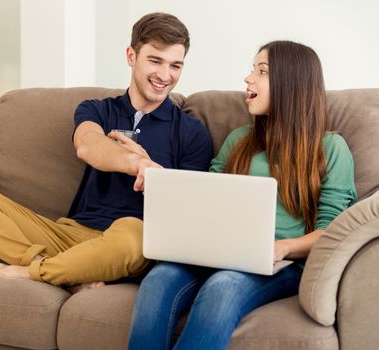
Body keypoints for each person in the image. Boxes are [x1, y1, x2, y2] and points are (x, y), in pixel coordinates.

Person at [0, 12, 213, 291]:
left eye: (175, 65)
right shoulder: (97, 109)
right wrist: (136, 162)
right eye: (155, 60)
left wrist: (156, 174)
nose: (165, 75)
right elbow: (87, 144)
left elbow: (183, 218)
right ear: (131, 56)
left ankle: (16, 273)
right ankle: (61, 270)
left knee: (134, 235)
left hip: (127, 241)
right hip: (68, 233)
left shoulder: (192, 133)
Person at [128, 40, 357, 350]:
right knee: (157, 281)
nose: (248, 79)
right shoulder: (239, 141)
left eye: (261, 71)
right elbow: (205, 201)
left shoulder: (331, 148)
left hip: (283, 263)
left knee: (225, 286)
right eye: (252, 69)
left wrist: (281, 247)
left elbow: (333, 231)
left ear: (291, 83)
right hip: (217, 252)